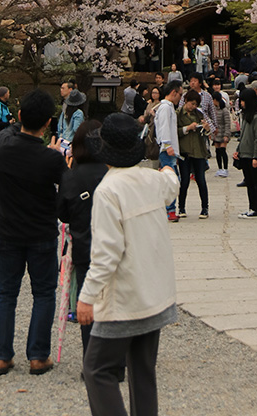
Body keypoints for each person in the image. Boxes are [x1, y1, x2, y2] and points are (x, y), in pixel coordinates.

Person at [77, 114, 179, 416]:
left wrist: (87, 297)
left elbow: (106, 254)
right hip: (156, 294)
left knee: (97, 369)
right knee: (143, 371)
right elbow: (170, 183)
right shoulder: (151, 179)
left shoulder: (108, 190)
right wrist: (167, 166)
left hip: (125, 298)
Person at [0, 88, 67, 375]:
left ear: (19, 115)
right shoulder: (51, 159)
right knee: (44, 292)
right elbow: (65, 193)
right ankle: (38, 355)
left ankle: (0, 355)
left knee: (5, 292)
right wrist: (59, 155)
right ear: (48, 123)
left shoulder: (0, 145)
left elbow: (8, 132)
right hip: (41, 232)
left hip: (7, 230)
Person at [57, 119, 107, 363]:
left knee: (87, 303)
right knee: (113, 303)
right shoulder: (113, 172)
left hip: (85, 246)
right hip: (114, 248)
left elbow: (63, 214)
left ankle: (92, 360)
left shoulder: (71, 177)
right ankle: (117, 359)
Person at [176, 90, 211, 218]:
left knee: (201, 179)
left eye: (196, 104)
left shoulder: (198, 114)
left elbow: (207, 132)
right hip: (185, 150)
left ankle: (205, 208)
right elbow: (175, 131)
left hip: (198, 150)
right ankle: (181, 207)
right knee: (184, 180)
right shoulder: (178, 114)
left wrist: (206, 128)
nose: (193, 107)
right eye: (192, 104)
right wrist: (188, 128)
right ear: (185, 101)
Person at [154, 81, 183, 222]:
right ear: (173, 92)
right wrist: (167, 144)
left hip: (170, 148)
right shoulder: (165, 107)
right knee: (171, 180)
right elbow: (164, 127)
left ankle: (170, 209)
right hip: (167, 149)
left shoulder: (166, 107)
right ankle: (169, 210)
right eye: (180, 94)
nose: (180, 98)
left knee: (173, 179)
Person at [233, 88, 257, 218]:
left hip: (253, 155)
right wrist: (238, 150)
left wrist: (256, 156)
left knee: (256, 183)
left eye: (243, 101)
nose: (241, 103)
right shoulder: (246, 116)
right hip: (244, 153)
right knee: (249, 183)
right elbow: (244, 135)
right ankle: (251, 207)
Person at [211, 90, 231, 176]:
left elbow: (227, 123)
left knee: (223, 150)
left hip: (223, 132)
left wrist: (226, 135)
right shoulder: (213, 110)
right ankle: (219, 168)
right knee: (217, 151)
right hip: (216, 133)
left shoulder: (224, 110)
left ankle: (225, 168)